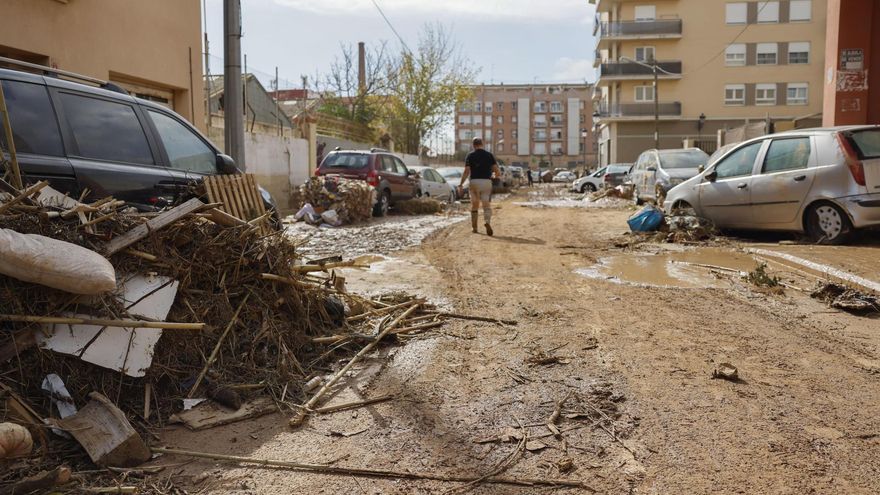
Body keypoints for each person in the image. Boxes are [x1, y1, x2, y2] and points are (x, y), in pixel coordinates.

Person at [459, 137, 501, 236]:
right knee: (486, 204)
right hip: (486, 182)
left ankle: (474, 228)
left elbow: (466, 172)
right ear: (482, 144)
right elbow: (497, 171)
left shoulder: (470, 155)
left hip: (474, 182)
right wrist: (495, 176)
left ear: (473, 145)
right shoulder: (489, 155)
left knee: (475, 204)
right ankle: (487, 222)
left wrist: (461, 184)